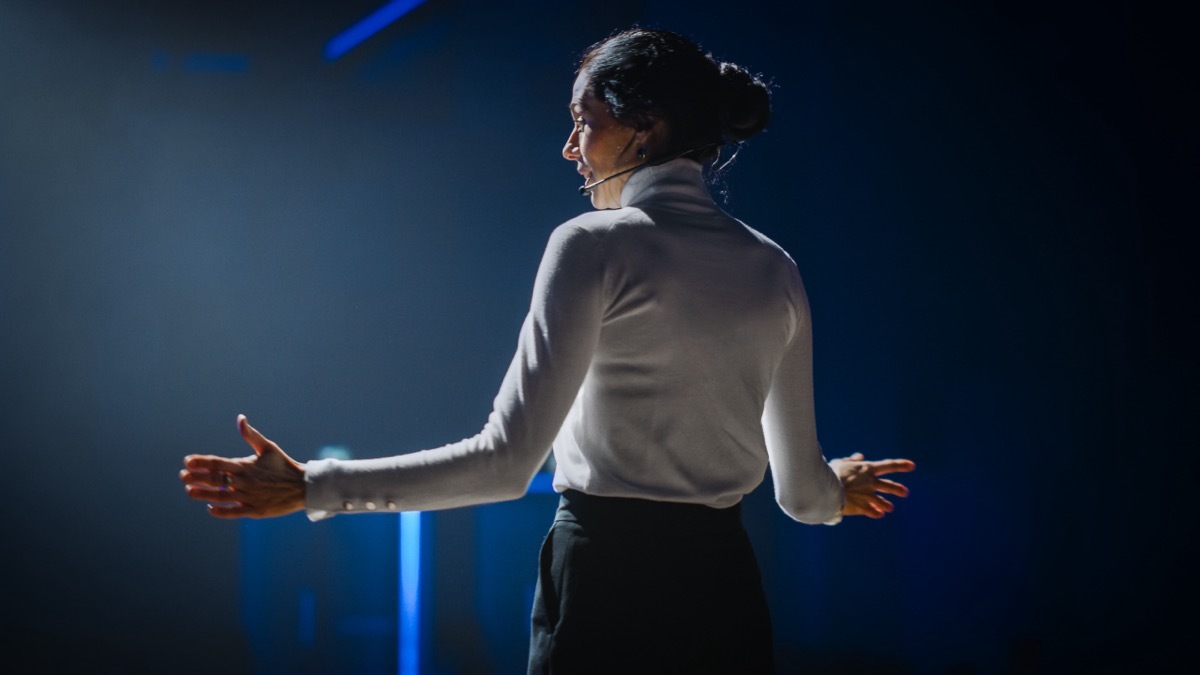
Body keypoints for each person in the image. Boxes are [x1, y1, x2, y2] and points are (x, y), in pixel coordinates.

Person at [181, 27, 915, 674]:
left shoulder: (589, 244)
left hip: (604, 586)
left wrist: (314, 484)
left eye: (583, 122)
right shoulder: (775, 267)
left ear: (645, 127)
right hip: (725, 593)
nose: (570, 147)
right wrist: (835, 486)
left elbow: (505, 464)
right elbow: (800, 495)